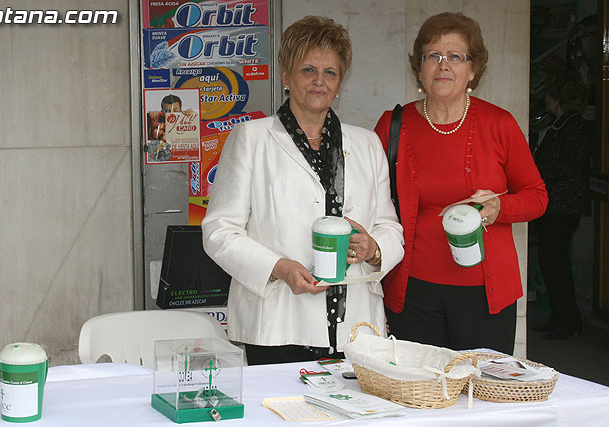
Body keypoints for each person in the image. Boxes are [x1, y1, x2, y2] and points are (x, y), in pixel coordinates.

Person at [202, 16, 404, 365]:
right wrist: (278, 267)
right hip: (278, 324)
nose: (319, 81)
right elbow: (219, 231)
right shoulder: (252, 139)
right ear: (286, 76)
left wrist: (374, 248)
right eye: (308, 69)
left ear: (340, 82)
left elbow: (391, 228)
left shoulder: (368, 143)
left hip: (356, 327)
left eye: (330, 72)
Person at [374, 12, 548, 354]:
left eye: (455, 56)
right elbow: (368, 200)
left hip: (485, 293)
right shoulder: (393, 126)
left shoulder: (499, 124)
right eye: (432, 56)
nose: (443, 65)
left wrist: (500, 207)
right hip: (412, 291)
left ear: (473, 69)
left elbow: (537, 197)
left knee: (481, 394)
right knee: (421, 396)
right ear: (418, 68)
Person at [531, 70, 592, 340]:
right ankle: (559, 315)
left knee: (556, 263)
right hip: (554, 204)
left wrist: (539, 171)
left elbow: (572, 165)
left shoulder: (574, 125)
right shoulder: (561, 124)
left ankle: (568, 319)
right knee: (550, 261)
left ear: (556, 98)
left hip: (563, 204)